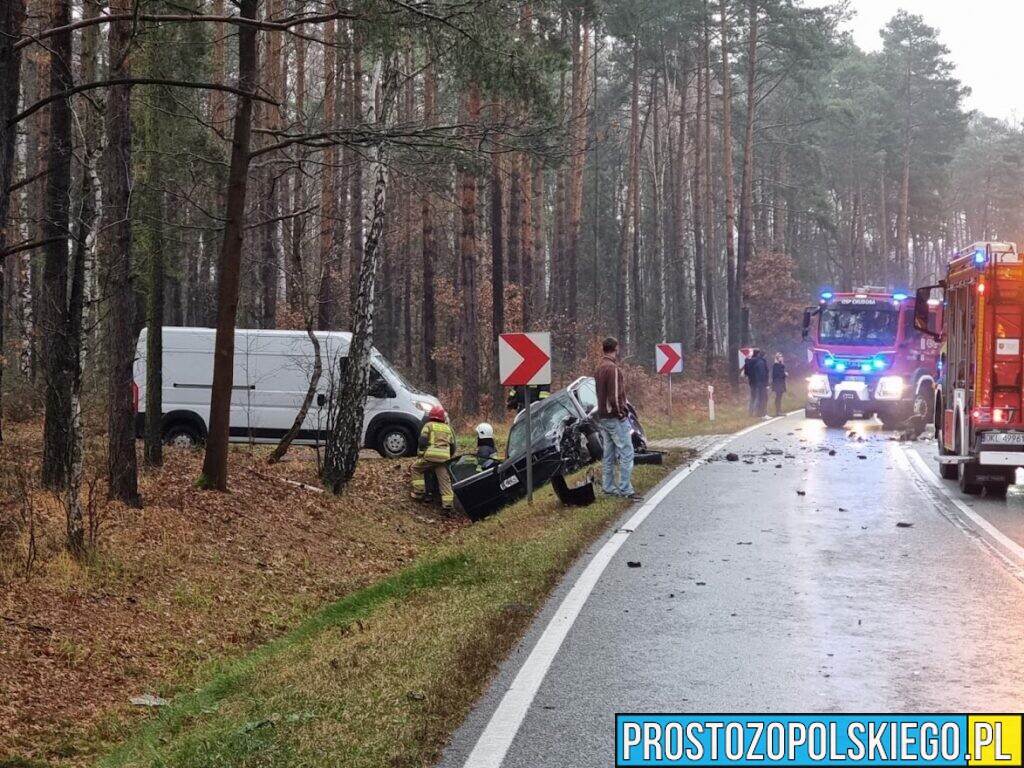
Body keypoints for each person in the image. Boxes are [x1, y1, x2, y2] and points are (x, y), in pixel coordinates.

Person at [595, 336, 643, 501]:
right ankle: (625, 488)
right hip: (614, 417)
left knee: (608, 454)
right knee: (626, 451)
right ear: (616, 348)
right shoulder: (613, 369)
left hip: (603, 417)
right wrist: (621, 412)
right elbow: (614, 395)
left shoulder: (599, 368)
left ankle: (608, 487)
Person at [410, 405, 456, 512]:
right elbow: (452, 446)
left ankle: (419, 492)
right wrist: (448, 456)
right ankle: (448, 505)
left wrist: (421, 454)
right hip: (444, 458)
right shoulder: (448, 428)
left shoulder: (428, 425)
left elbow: (422, 441)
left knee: (415, 468)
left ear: (431, 415)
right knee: (445, 481)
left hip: (430, 456)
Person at [771, 353, 787, 417]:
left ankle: (779, 411)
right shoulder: (776, 365)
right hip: (778, 383)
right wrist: (784, 374)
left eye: (782, 356)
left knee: (779, 397)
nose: (782, 358)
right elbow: (776, 375)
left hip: (780, 383)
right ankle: (778, 411)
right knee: (778, 397)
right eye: (780, 357)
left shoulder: (781, 365)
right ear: (777, 358)